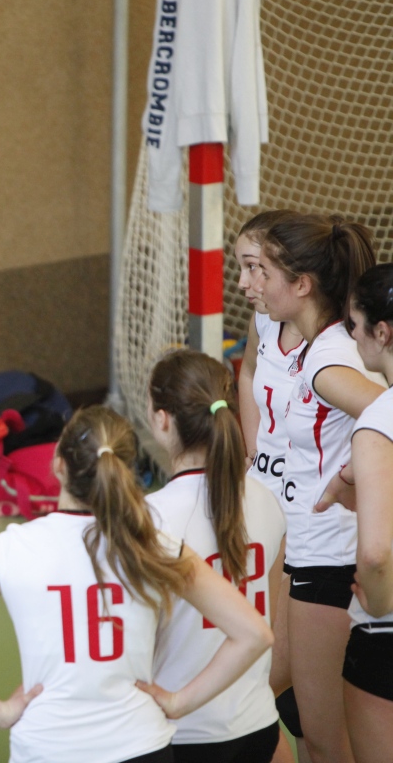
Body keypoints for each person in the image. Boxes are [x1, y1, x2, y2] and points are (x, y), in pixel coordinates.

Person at [0, 406, 273, 763]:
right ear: (128, 470)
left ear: (59, 466)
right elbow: (254, 634)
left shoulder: (13, 548)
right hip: (141, 746)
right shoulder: (155, 545)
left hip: (48, 751)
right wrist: (180, 702)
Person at [253, 214, 385, 762]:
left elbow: (385, 413)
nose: (250, 284)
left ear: (302, 284)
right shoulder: (312, 344)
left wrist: (357, 474)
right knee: (288, 700)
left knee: (328, 741)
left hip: (332, 557)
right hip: (309, 547)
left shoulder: (326, 362)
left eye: (261, 271)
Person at [146, 350, 286, 762]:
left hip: (181, 732)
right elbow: (267, 616)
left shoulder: (150, 519)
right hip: (257, 726)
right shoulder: (267, 500)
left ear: (162, 420)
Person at [231, 209, 307, 762]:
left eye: (255, 267)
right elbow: (249, 373)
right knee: (276, 679)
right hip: (266, 500)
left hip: (313, 522)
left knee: (272, 674)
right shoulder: (264, 322)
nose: (243, 283)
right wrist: (255, 449)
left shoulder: (334, 348)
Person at [312, 263, 393, 762]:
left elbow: (377, 553)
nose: (351, 337)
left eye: (355, 325)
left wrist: (379, 604)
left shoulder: (379, 421)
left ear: (382, 333)